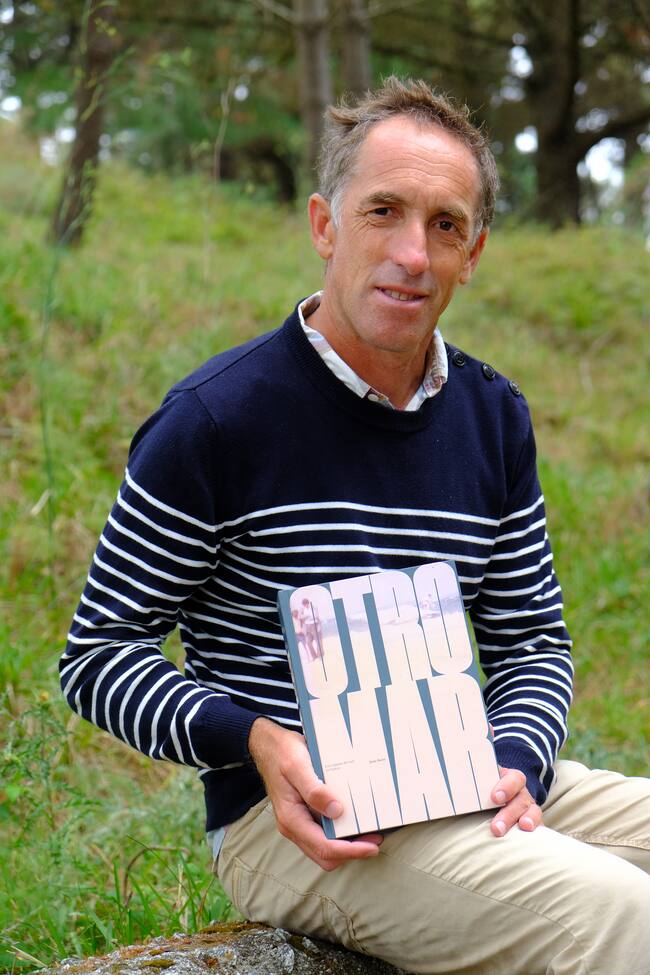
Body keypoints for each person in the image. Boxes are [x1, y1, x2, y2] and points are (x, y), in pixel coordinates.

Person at [60, 77, 650, 974]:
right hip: (299, 816)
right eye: (384, 211)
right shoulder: (218, 420)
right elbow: (97, 654)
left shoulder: (494, 416)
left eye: (445, 225)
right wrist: (254, 739)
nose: (413, 253)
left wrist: (518, 758)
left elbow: (532, 640)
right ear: (325, 225)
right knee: (619, 916)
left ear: (475, 251)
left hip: (461, 771)